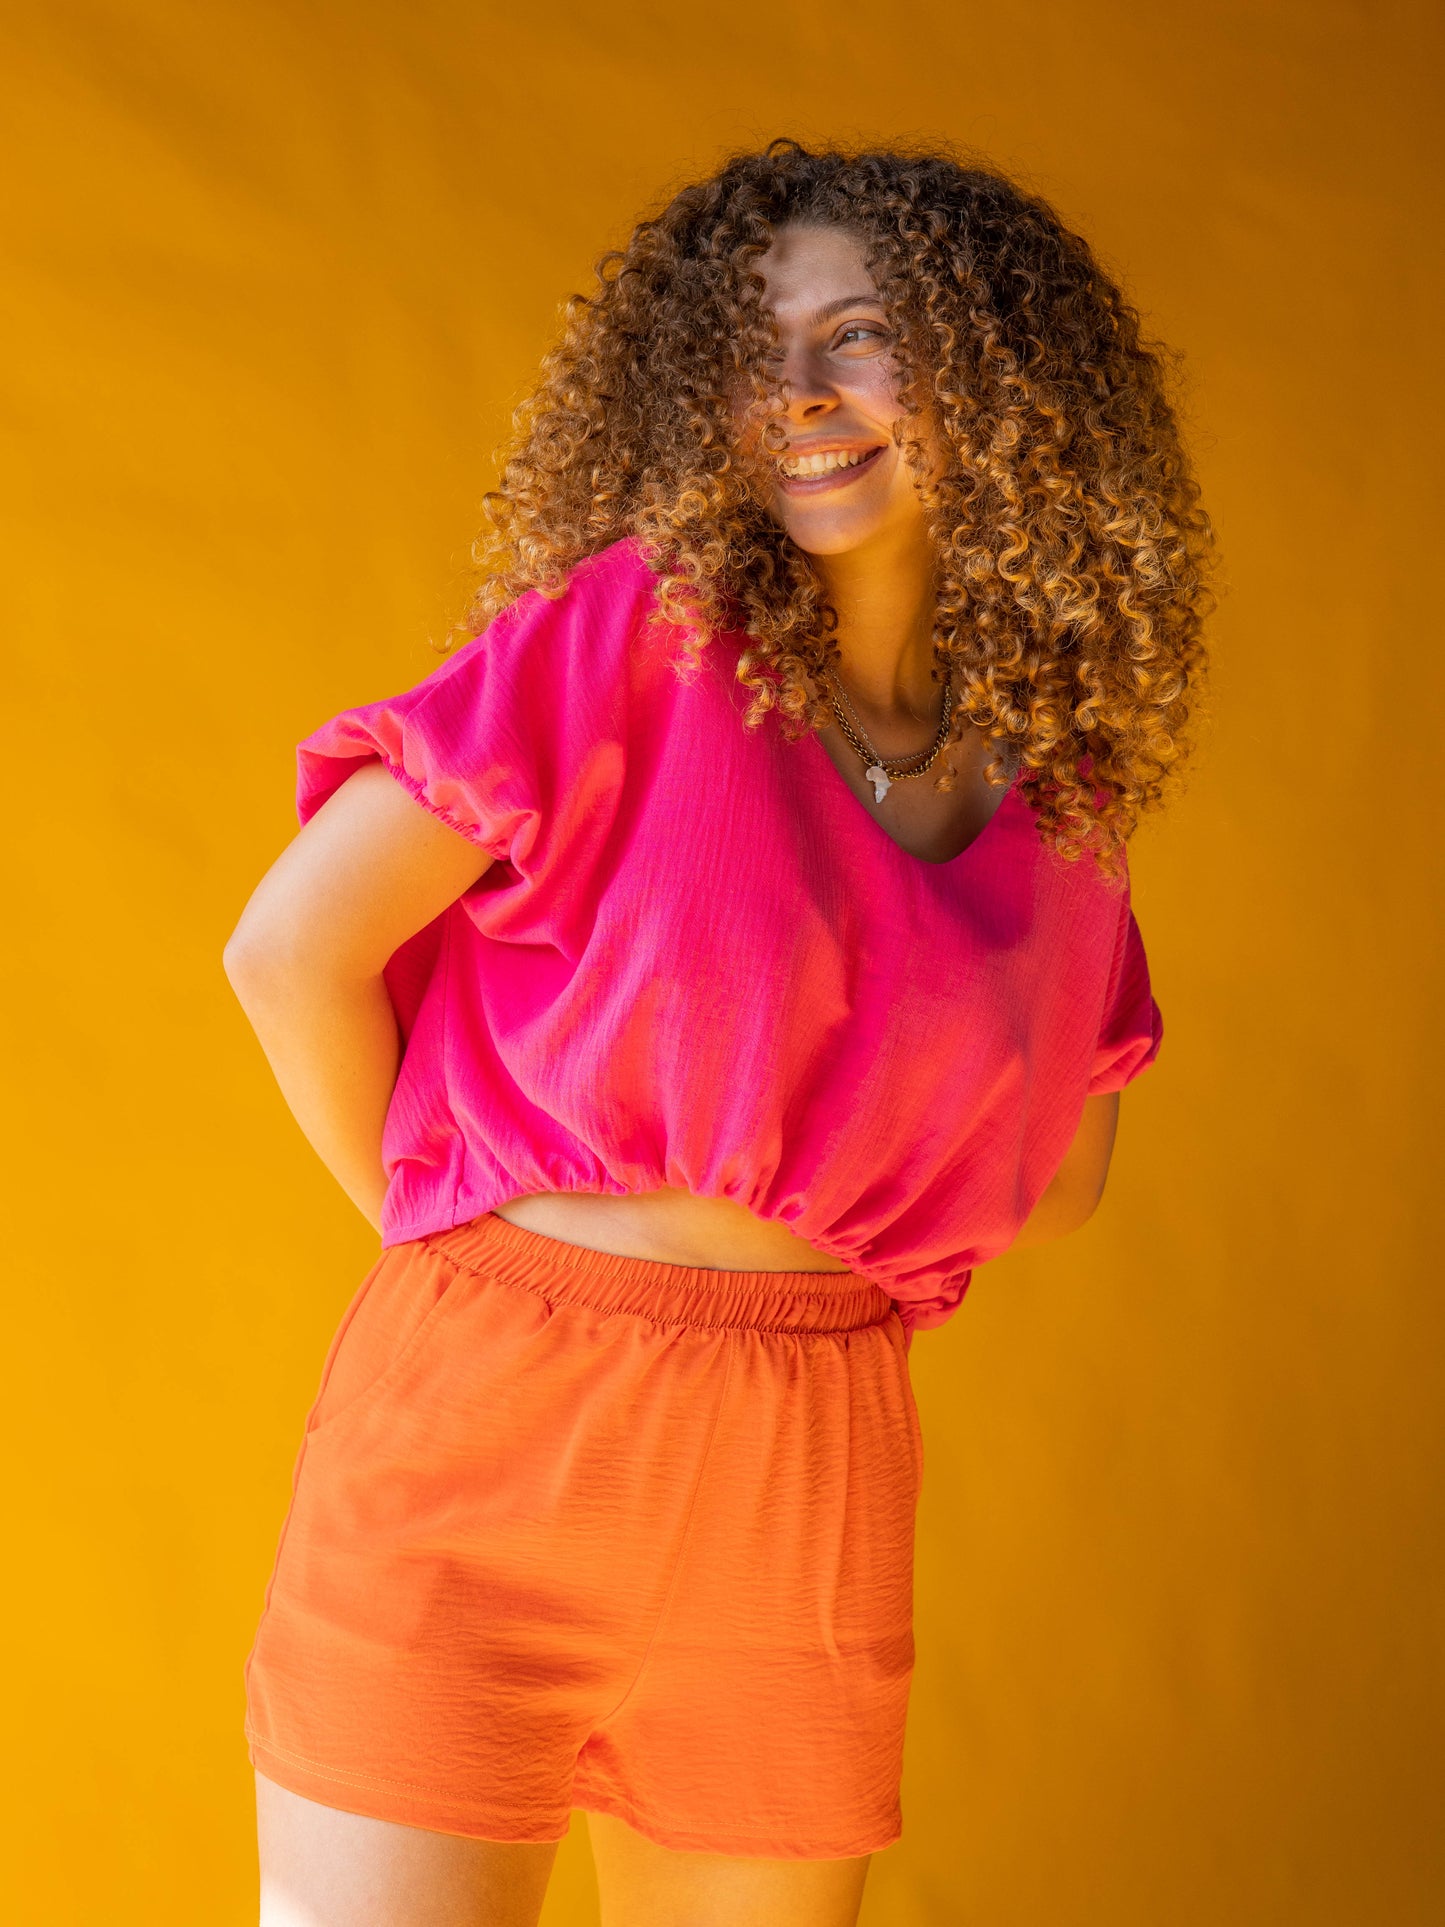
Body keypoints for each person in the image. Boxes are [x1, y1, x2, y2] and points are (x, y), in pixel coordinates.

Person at [224, 138, 1212, 1927]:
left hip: (803, 1483)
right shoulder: (631, 635)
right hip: (487, 1427)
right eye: (759, 352)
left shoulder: (1058, 798)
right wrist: (443, 1235)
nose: (805, 396)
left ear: (997, 375)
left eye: (861, 336)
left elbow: (1057, 1178)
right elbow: (288, 946)